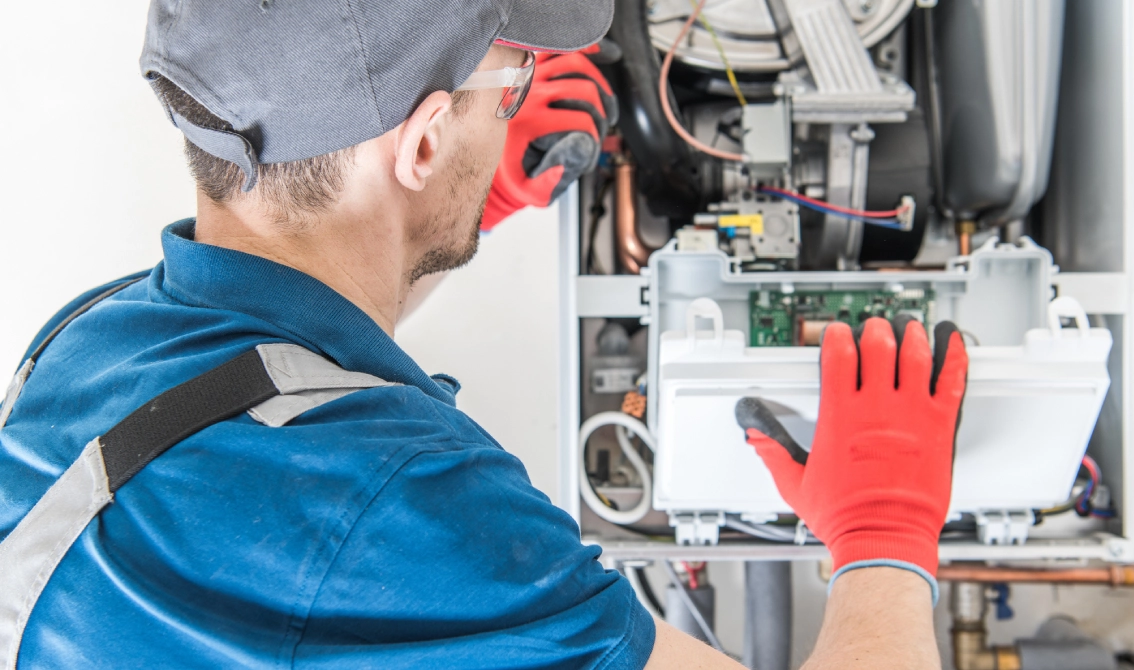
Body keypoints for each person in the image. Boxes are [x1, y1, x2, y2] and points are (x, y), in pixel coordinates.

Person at [0, 1, 968, 668]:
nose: (520, 108)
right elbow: (352, 509)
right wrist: (884, 535)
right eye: (511, 84)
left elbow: (280, 386)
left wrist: (446, 215)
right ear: (420, 146)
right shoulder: (415, 514)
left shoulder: (89, 342)